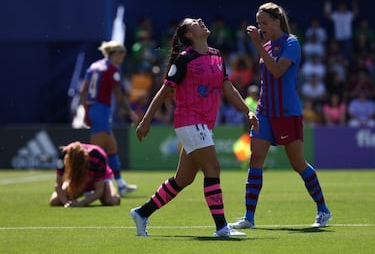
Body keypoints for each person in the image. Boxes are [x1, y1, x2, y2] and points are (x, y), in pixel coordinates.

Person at [129, 18, 259, 237]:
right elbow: (163, 91)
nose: (200, 21)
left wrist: (247, 110)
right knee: (213, 169)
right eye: (194, 22)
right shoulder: (184, 60)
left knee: (184, 179)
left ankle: (142, 213)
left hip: (203, 125)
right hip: (189, 121)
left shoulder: (217, 55)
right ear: (189, 35)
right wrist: (145, 120)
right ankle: (221, 227)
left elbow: (228, 88)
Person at [230, 2, 332, 229]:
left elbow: (277, 71)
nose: (261, 27)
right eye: (258, 23)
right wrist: (261, 45)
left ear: (277, 21)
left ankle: (323, 210)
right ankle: (249, 217)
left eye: (265, 22)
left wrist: (257, 45)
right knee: (255, 160)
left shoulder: (292, 43)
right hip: (264, 112)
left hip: (287, 112)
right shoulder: (266, 45)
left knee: (298, 164)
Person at [80, 41, 139, 196]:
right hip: (102, 110)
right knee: (95, 154)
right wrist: (131, 113)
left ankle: (120, 184)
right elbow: (119, 97)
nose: (123, 57)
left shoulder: (94, 66)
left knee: (112, 149)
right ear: (116, 53)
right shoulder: (112, 69)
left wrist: (87, 110)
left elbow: (82, 91)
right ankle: (87, 187)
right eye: (122, 54)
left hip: (95, 109)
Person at [49, 142, 121, 207]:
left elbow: (99, 190)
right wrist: (66, 203)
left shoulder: (97, 156)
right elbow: (58, 185)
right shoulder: (64, 155)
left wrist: (81, 203)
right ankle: (86, 193)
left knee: (109, 200)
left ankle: (113, 192)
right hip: (76, 180)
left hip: (99, 180)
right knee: (55, 201)